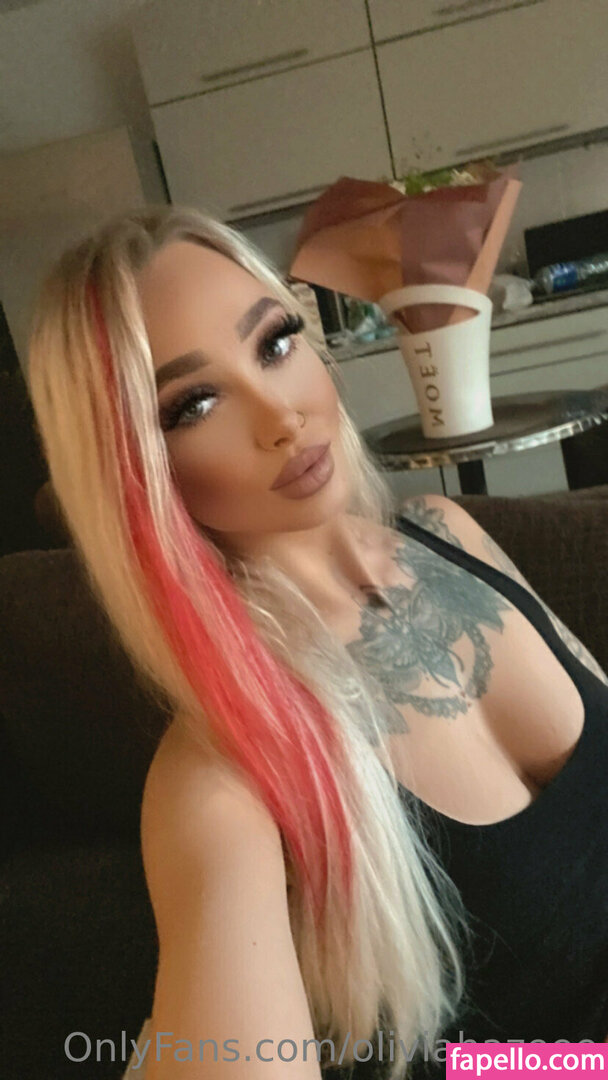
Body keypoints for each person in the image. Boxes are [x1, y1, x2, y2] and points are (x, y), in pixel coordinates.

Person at [26, 206, 608, 1080]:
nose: (281, 416)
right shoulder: (219, 778)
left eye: (274, 343)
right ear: (136, 471)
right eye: (195, 404)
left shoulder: (453, 533)